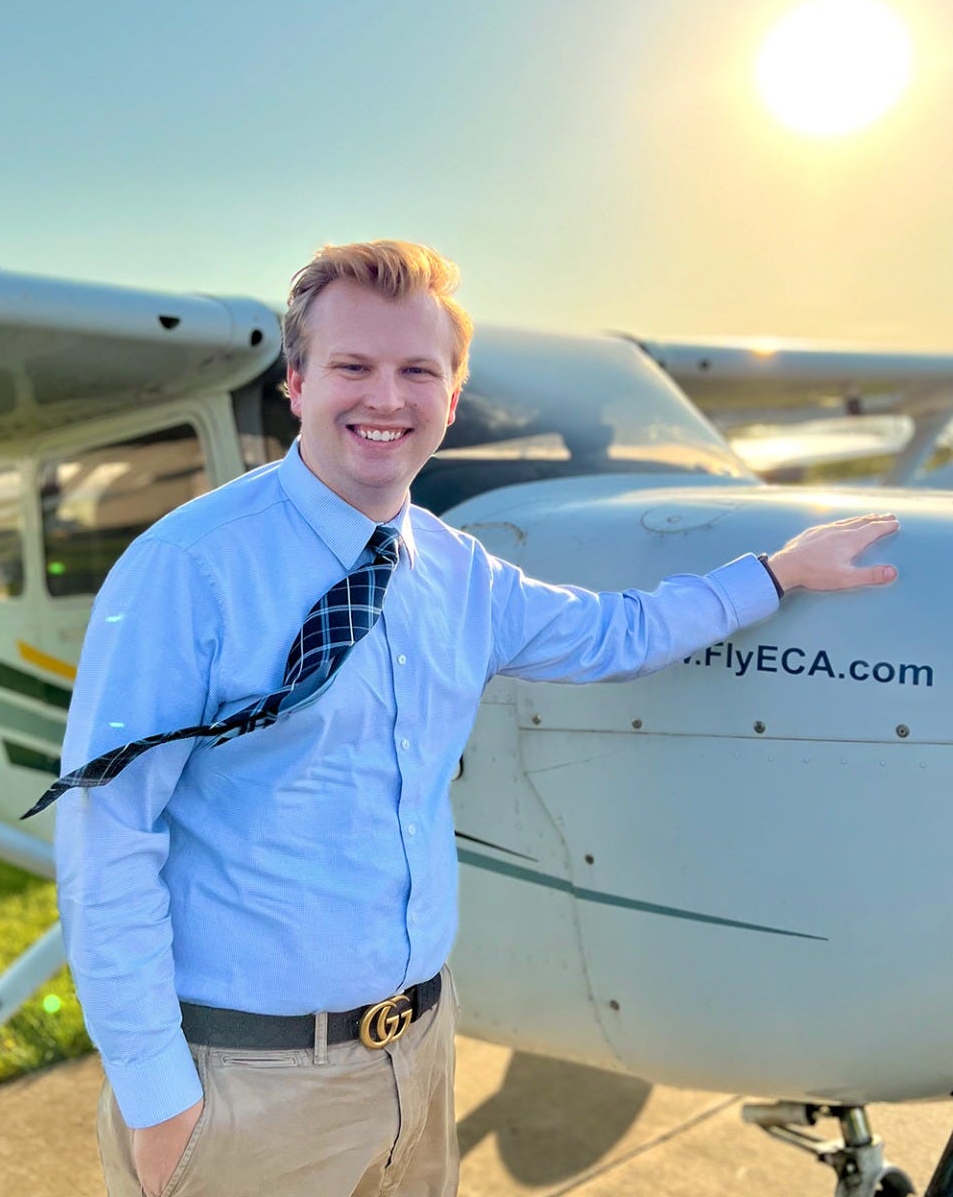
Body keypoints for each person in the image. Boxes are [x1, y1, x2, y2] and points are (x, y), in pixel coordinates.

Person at [53, 240, 899, 1197]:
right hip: (246, 1084)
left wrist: (776, 573)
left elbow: (614, 634)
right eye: (353, 368)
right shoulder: (190, 564)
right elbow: (108, 834)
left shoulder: (456, 571)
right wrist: (159, 1098)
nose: (387, 399)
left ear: (451, 398)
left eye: (419, 371)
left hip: (416, 1053)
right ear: (296, 382)